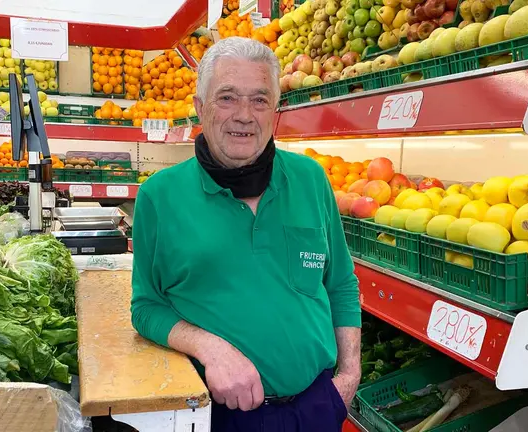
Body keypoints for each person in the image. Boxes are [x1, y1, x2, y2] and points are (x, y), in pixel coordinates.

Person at [130, 37, 361, 431]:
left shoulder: (310, 179)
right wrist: (210, 348)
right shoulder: (159, 196)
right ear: (200, 107)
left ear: (275, 111)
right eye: (227, 98)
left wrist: (349, 376)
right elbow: (146, 307)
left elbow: (340, 282)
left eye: (259, 100)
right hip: (219, 416)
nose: (244, 115)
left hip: (318, 406)